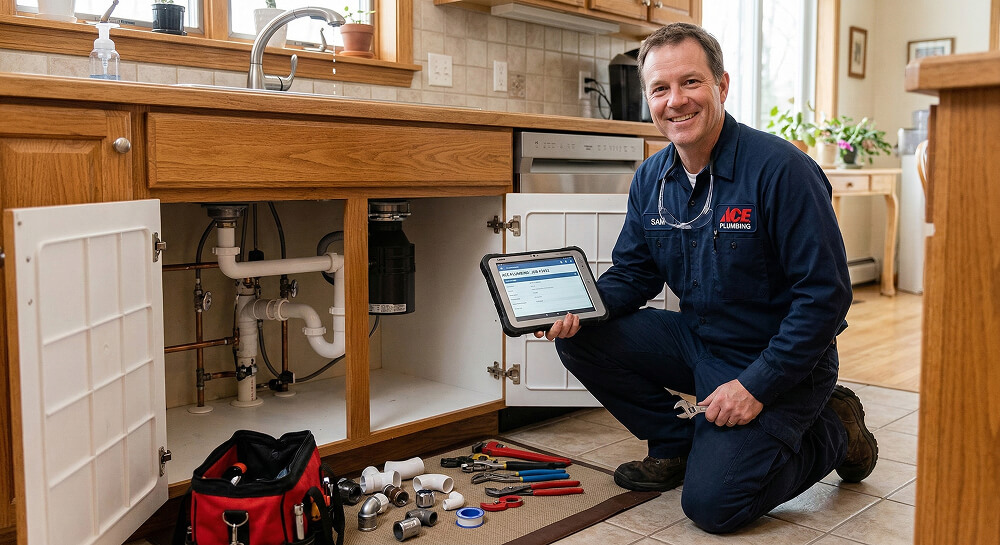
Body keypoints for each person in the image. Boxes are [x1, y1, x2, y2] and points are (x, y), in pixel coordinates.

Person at [537, 23, 878, 534]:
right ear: (649, 99)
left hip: (780, 360)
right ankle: (673, 445)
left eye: (690, 83)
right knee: (585, 339)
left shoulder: (783, 171)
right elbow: (633, 273)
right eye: (660, 89)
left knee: (714, 507)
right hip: (702, 342)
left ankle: (832, 429)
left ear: (721, 86)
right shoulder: (652, 178)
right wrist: (579, 307)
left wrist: (756, 386)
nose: (675, 101)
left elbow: (825, 298)